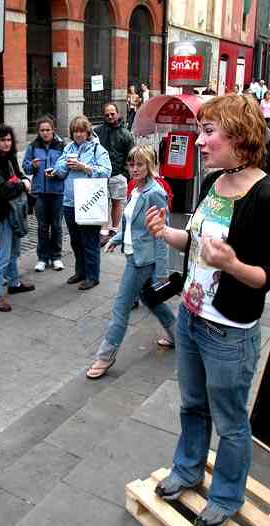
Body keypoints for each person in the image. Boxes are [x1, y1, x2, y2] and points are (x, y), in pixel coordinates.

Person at [146, 94, 270, 526]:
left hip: (229, 330)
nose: (200, 142)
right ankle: (188, 469)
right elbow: (195, 243)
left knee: (229, 422)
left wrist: (231, 264)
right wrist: (165, 231)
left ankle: (226, 495)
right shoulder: (214, 184)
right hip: (190, 318)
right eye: (201, 132)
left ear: (240, 137)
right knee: (192, 405)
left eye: (209, 132)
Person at [86, 145, 176, 379]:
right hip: (133, 254)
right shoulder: (136, 188)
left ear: (149, 166)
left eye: (140, 164)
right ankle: (179, 335)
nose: (134, 169)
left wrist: (161, 272)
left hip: (142, 261)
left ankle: (105, 356)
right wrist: (116, 238)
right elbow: (130, 223)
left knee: (120, 309)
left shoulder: (154, 192)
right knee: (151, 299)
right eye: (131, 164)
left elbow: (161, 232)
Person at [53, 115, 112, 290]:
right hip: (70, 202)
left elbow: (106, 172)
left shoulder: (97, 150)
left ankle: (93, 276)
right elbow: (58, 170)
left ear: (88, 132)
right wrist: (65, 166)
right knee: (76, 241)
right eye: (75, 131)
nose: (78, 134)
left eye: (81, 131)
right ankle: (80, 272)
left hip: (89, 203)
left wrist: (84, 168)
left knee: (90, 241)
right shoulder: (68, 148)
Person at [0, 124, 35, 312]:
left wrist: (22, 180)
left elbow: (19, 176)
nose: (6, 143)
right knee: (0, 255)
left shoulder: (10, 158)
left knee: (14, 251)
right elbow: (3, 190)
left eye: (8, 139)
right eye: (2, 140)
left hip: (14, 212)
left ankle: (14, 283)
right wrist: (22, 185)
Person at [23, 116, 65, 272]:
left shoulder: (61, 146)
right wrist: (32, 166)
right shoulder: (33, 146)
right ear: (38, 132)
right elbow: (25, 167)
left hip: (57, 191)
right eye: (42, 130)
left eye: (48, 130)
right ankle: (42, 257)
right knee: (42, 227)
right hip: (39, 192)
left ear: (53, 130)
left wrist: (57, 172)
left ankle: (56, 256)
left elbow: (66, 167)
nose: (45, 133)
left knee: (56, 226)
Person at [94, 103, 135, 247]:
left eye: (112, 114)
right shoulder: (98, 132)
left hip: (118, 174)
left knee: (117, 202)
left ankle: (114, 229)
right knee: (103, 203)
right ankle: (103, 232)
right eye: (107, 115)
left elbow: (131, 156)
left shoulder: (126, 134)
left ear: (117, 114)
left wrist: (126, 174)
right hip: (101, 174)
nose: (110, 117)